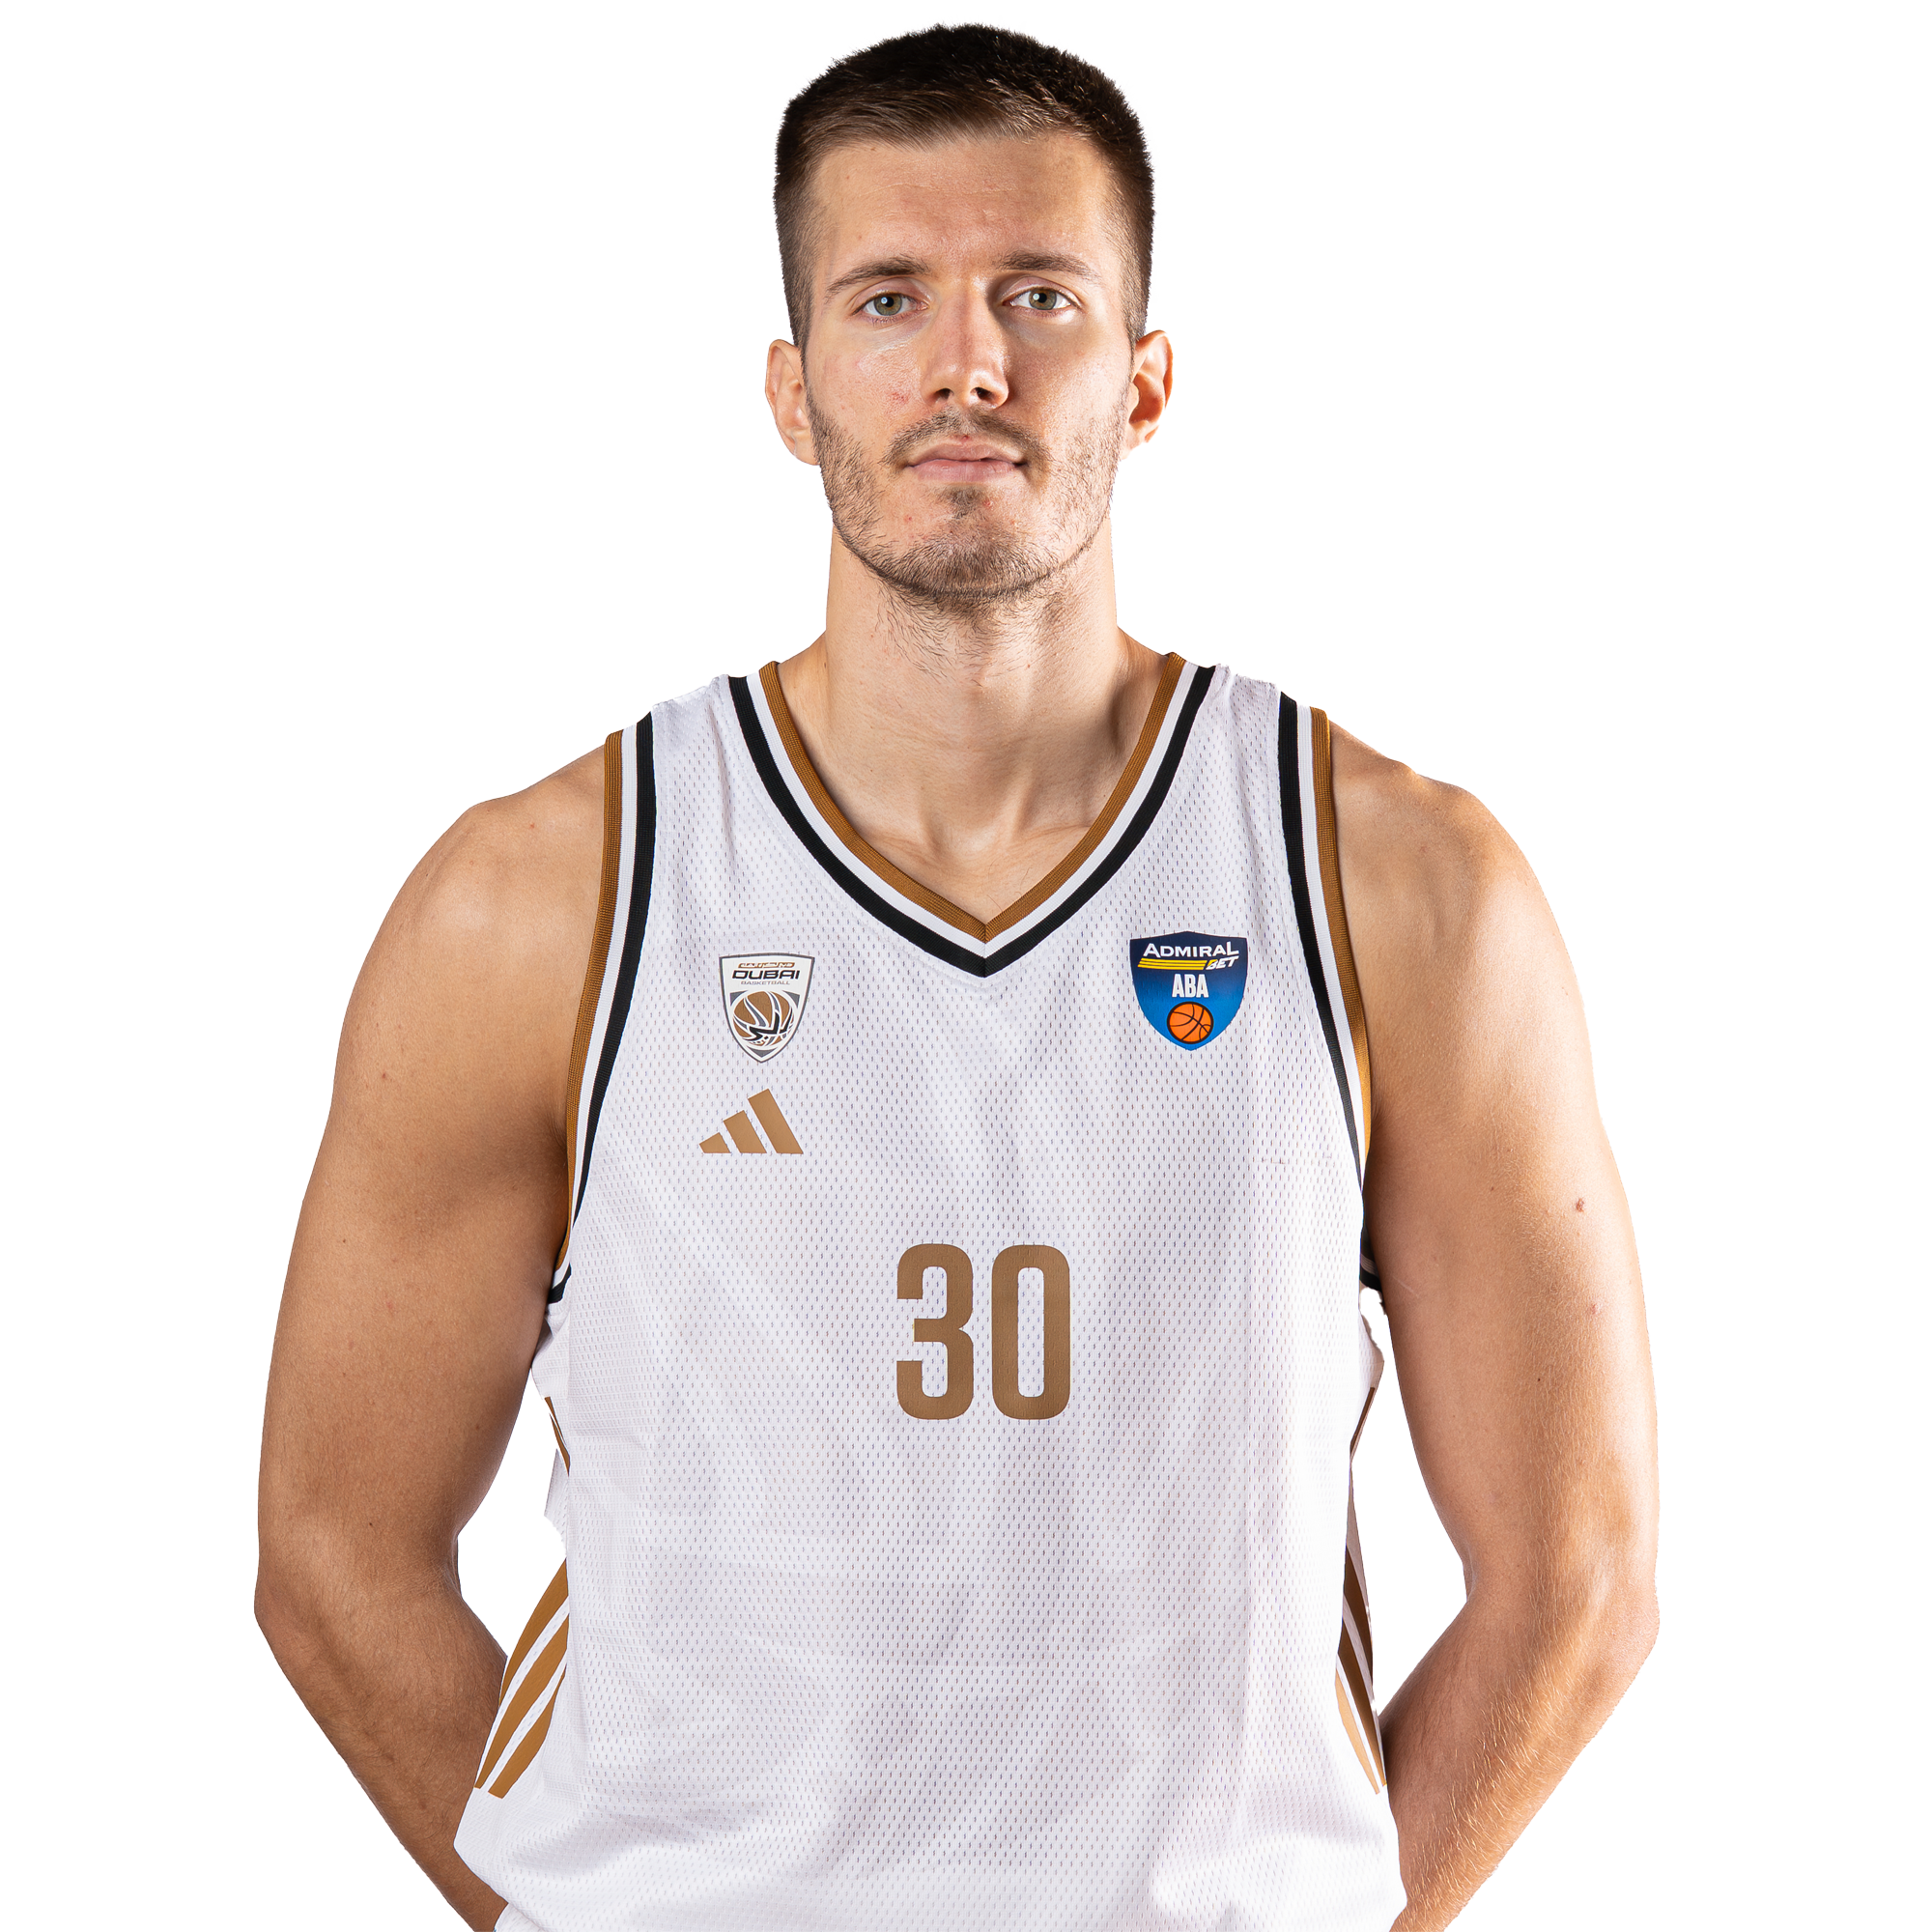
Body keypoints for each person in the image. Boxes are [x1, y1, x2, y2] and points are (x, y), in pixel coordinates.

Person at [258, 23, 1657, 1932]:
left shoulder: (1398, 890)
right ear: (792, 386)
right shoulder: (543, 901)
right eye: (887, 296)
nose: (965, 363)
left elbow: (1580, 1577)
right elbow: (333, 1550)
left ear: (1144, 381)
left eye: (1040, 296)